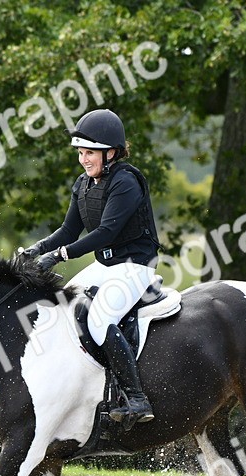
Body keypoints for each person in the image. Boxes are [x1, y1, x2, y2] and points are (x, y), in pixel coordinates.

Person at [20, 108, 160, 426]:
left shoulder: (126, 182)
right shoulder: (84, 184)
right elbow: (69, 231)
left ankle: (136, 399)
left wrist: (60, 256)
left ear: (111, 152)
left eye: (90, 152)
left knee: (99, 320)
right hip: (107, 265)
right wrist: (37, 249)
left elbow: (105, 233)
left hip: (136, 266)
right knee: (61, 308)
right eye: (81, 152)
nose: (84, 159)